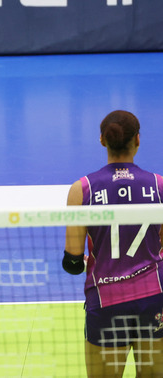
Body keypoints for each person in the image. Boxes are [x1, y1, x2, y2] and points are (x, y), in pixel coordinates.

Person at [63, 110, 163, 377]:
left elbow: (72, 262)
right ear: (138, 140)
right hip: (154, 299)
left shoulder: (82, 189)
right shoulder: (159, 185)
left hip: (107, 303)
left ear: (102, 140)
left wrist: (85, 261)